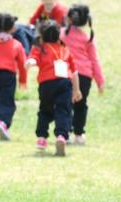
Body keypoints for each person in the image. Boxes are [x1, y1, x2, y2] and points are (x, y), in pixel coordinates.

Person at [26, 20, 82, 156]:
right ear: (58, 35)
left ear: (42, 35)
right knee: (63, 110)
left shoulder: (40, 48)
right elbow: (74, 72)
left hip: (46, 84)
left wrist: (29, 63)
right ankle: (61, 136)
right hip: (65, 83)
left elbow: (33, 59)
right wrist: (77, 90)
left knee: (45, 110)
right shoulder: (65, 49)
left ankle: (42, 138)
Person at [60, 4, 105, 145]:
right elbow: (94, 60)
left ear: (68, 19)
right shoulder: (87, 38)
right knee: (80, 105)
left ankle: (63, 134)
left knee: (64, 105)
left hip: (63, 73)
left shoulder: (60, 34)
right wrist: (100, 81)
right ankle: (79, 135)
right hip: (84, 75)